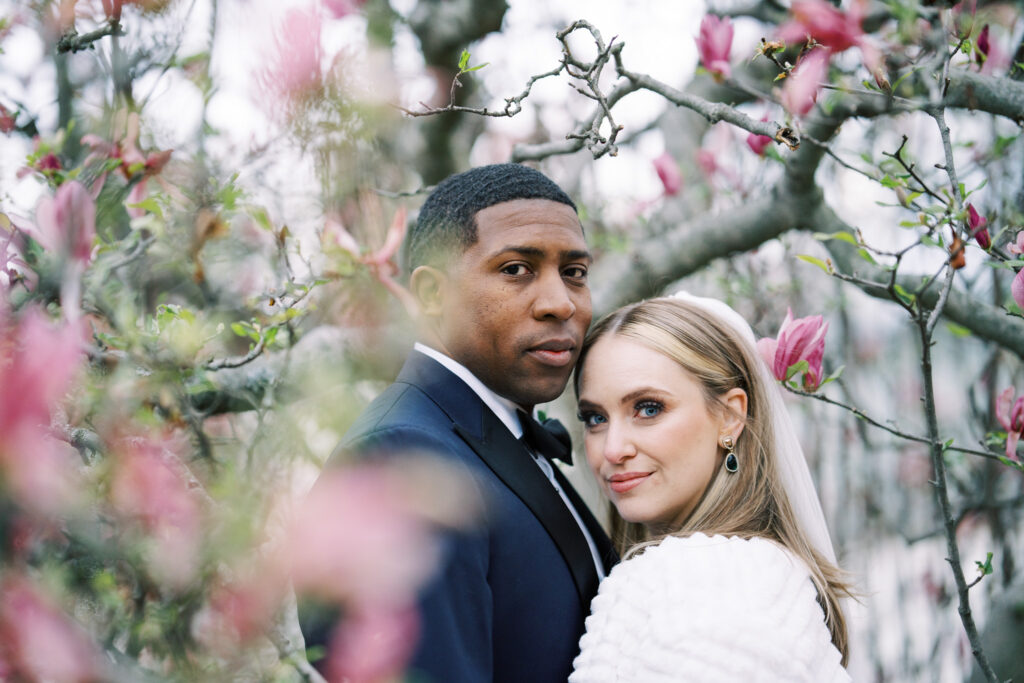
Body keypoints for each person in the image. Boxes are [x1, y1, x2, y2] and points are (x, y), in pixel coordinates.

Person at [310, 163, 616, 682]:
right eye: (516, 269)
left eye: (575, 272)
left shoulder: (502, 435)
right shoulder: (403, 457)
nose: (560, 302)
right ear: (432, 295)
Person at [569, 293, 853, 682]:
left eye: (648, 408)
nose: (613, 449)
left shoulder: (701, 578)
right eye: (595, 418)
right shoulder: (755, 574)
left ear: (730, 415)